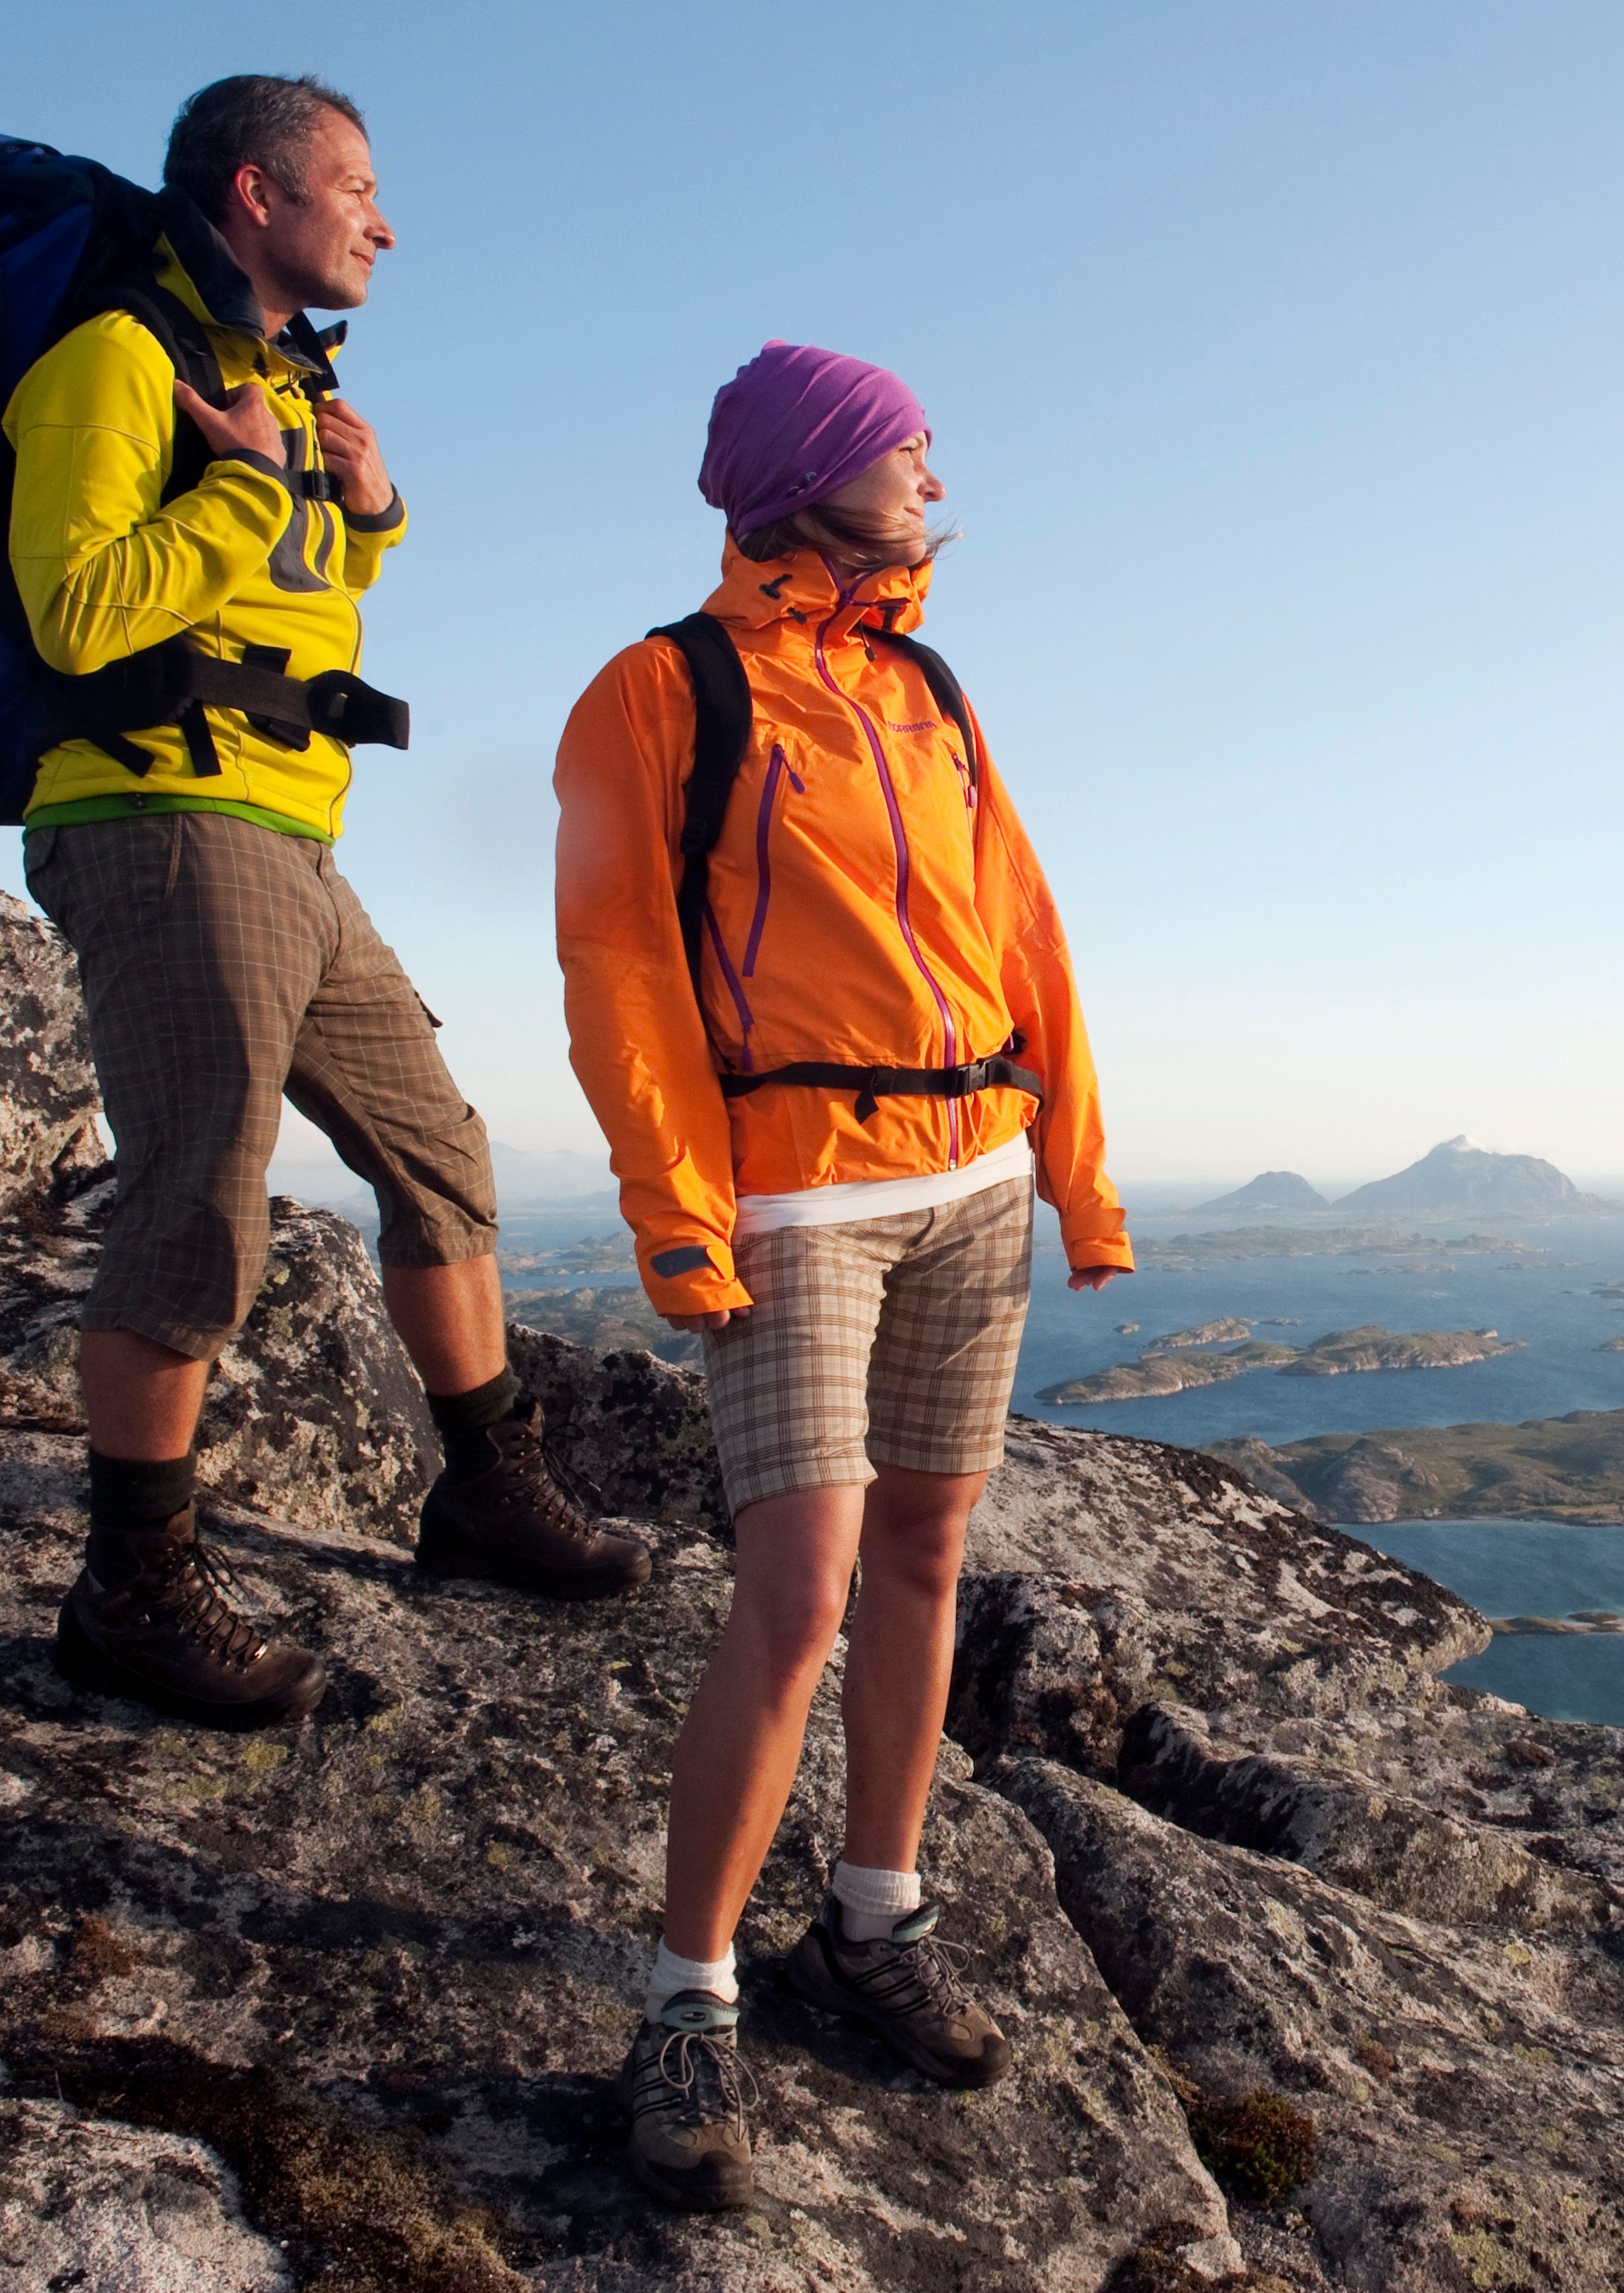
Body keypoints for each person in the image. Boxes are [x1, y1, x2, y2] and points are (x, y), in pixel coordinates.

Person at [553, 342, 1133, 2210]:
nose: (933, 469)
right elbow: (621, 962)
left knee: (927, 1557)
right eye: (905, 446)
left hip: (970, 1172)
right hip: (795, 1192)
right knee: (793, 1594)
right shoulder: (661, 692)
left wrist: (1077, 1172)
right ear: (819, 472)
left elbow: (1022, 919)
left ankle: (870, 1918)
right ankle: (686, 1997)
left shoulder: (924, 682)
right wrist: (674, 1203)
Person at [16, 73, 648, 1732]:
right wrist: (245, 488)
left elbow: (286, 612)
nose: (384, 217)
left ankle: (487, 1489)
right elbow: (80, 616)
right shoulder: (112, 362)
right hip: (161, 816)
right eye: (355, 185)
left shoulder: (278, 389)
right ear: (253, 195)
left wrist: (359, 516)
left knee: (438, 1148)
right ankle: (131, 1587)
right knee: (198, 1196)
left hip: (285, 834)